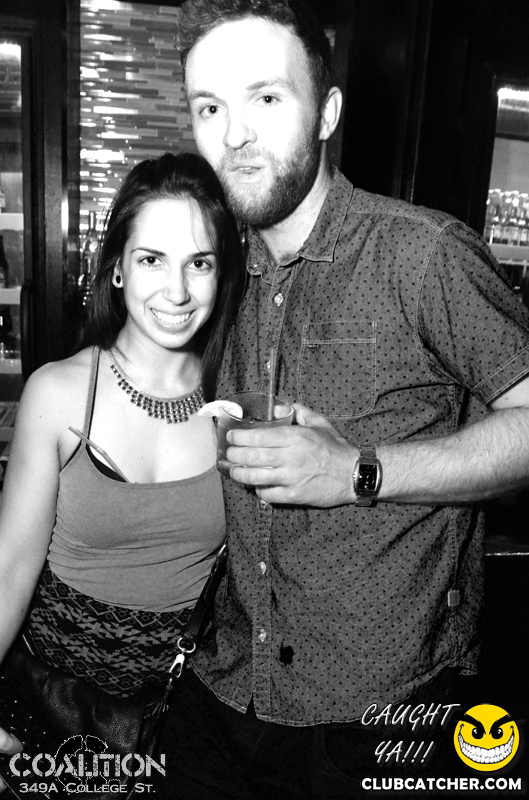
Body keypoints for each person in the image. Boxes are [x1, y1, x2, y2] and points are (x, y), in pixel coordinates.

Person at [148, 1, 529, 798]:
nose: (234, 133)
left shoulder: (420, 256)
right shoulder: (215, 279)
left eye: (265, 98)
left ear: (325, 113)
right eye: (209, 108)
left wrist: (356, 470)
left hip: (379, 713)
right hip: (221, 695)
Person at [0, 151, 244, 790]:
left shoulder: (240, 408)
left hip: (176, 725)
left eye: (199, 263)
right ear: (116, 268)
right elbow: (9, 569)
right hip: (49, 713)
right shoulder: (58, 393)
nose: (177, 291)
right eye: (152, 259)